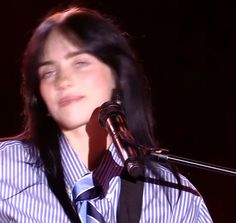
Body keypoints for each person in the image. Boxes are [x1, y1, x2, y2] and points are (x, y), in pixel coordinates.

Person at [0, 6, 213, 223]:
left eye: (80, 63)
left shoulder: (174, 198)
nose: (63, 81)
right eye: (49, 72)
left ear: (117, 76)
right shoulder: (5, 170)